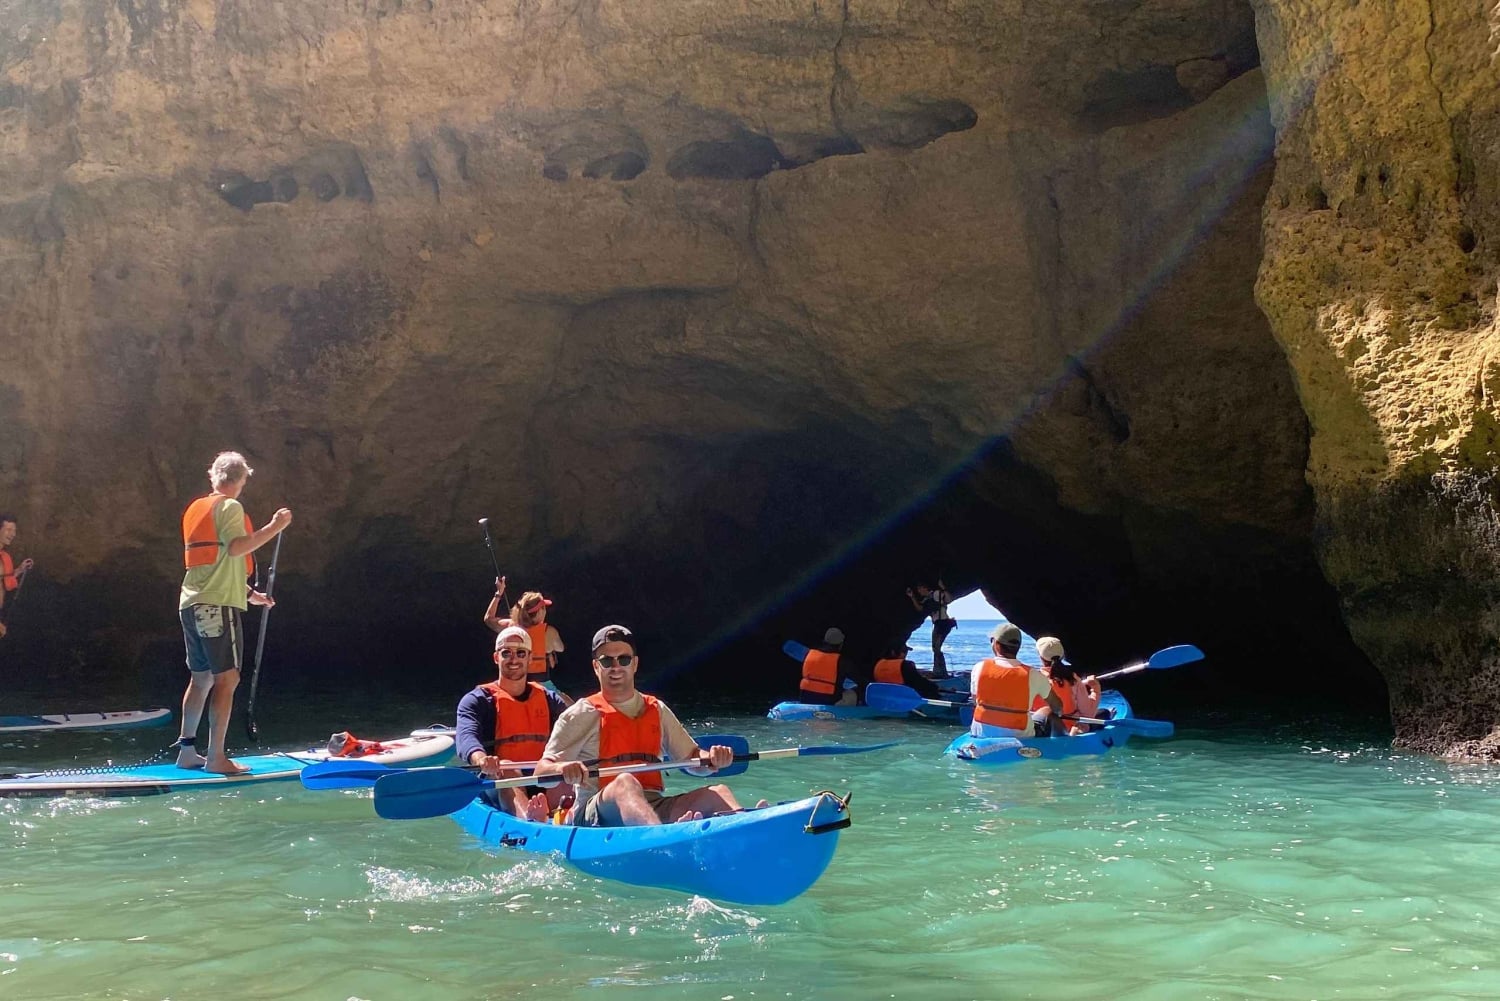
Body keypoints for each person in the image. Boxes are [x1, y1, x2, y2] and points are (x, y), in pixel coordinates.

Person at [534, 624, 764, 826]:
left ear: (634, 664)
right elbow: (542, 770)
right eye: (606, 661)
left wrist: (712, 759)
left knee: (717, 793)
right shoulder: (581, 713)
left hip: (651, 803)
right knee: (625, 783)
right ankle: (663, 841)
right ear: (596, 667)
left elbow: (693, 759)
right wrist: (561, 769)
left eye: (623, 659)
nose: (616, 667)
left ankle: (748, 825)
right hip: (596, 811)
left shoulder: (657, 709)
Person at [176, 452, 291, 774]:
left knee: (201, 679)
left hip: (191, 602)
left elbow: (214, 563)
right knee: (227, 679)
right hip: (216, 607)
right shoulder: (230, 506)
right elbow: (238, 548)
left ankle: (187, 752)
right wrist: (275, 526)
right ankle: (216, 758)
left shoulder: (197, 508)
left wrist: (249, 594)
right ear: (241, 480)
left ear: (213, 475)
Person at [455, 625, 573, 820]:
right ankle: (528, 818)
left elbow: (577, 730)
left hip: (540, 774)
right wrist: (481, 759)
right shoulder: (477, 700)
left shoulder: (550, 699)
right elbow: (466, 737)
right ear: (496, 658)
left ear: (529, 658)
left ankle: (564, 817)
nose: (514, 659)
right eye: (506, 653)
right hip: (496, 779)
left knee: (563, 770)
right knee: (508, 767)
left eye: (520, 653)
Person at [970, 622, 1055, 738]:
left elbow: (975, 701)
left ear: (995, 644)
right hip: (1020, 735)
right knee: (1046, 710)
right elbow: (1057, 706)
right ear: (1018, 647)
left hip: (981, 733)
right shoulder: (1034, 675)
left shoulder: (978, 668)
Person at [506, 590, 571, 704]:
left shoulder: (510, 627)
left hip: (517, 684)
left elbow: (489, 619)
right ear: (540, 611)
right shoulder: (549, 632)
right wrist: (549, 651)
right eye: (544, 608)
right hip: (542, 684)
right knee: (573, 709)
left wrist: (498, 594)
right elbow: (561, 648)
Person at [1037, 636, 1102, 735]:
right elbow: (1087, 714)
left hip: (1043, 728)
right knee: (1103, 713)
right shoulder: (1073, 679)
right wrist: (1095, 689)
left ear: (1041, 657)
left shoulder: (1034, 679)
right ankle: (1073, 733)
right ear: (1062, 656)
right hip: (1069, 726)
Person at [906, 580, 957, 677]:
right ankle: (939, 671)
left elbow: (949, 599)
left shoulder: (936, 594)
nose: (919, 592)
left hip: (944, 623)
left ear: (925, 588)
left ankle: (940, 672)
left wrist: (943, 588)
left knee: (936, 648)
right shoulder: (927, 599)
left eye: (920, 589)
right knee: (935, 648)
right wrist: (912, 596)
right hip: (938, 624)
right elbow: (920, 609)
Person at [0, 514, 34, 639]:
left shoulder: (5, 557)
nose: (13, 534)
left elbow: (4, 580)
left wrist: (19, 570)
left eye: (14, 531)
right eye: (9, 530)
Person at [870, 641, 942, 700]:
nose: (906, 654)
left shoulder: (877, 664)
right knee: (932, 691)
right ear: (893, 652)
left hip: (884, 697)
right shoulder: (905, 665)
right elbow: (920, 683)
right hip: (902, 698)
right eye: (904, 651)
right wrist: (935, 687)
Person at [798, 627, 847, 706]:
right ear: (841, 644)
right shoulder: (842, 661)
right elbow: (858, 680)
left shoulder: (809, 654)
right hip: (827, 700)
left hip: (805, 697)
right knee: (851, 693)